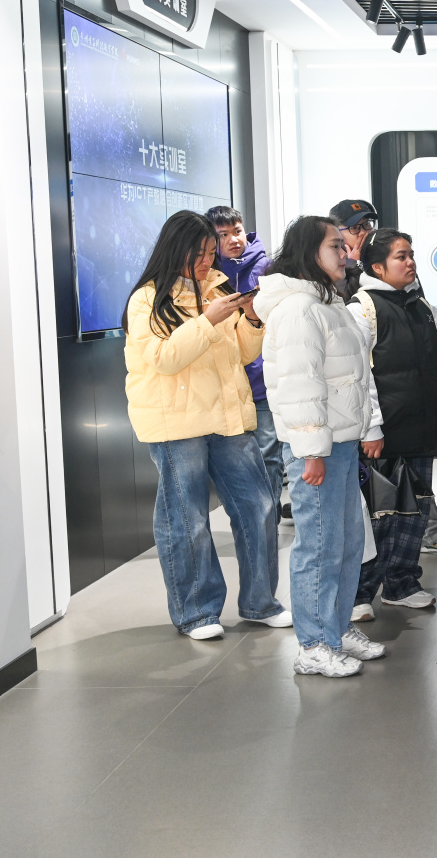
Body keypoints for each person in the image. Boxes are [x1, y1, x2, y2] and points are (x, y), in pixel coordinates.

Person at [122, 210, 290, 640]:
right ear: (174, 249)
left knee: (259, 506)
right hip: (176, 424)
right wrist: (208, 319)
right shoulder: (146, 299)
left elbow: (242, 353)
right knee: (187, 519)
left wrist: (252, 319)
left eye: (211, 252)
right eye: (198, 252)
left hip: (228, 418)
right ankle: (196, 612)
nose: (206, 260)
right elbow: (164, 359)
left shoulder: (218, 287)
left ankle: (260, 602)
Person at [256, 215, 385, 677]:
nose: (346, 253)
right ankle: (313, 645)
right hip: (318, 448)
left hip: (341, 442)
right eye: (336, 246)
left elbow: (354, 375)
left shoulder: (327, 302)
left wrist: (367, 426)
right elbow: (299, 385)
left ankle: (335, 628)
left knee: (347, 543)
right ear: (310, 251)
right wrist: (311, 451)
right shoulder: (298, 309)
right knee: (319, 546)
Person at [348, 228, 437, 617]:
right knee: (380, 515)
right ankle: (360, 593)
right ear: (377, 267)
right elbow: (359, 375)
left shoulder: (424, 307)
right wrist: (371, 427)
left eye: (411, 255)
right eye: (401, 256)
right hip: (384, 434)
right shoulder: (361, 309)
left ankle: (402, 584)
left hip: (423, 428)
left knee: (416, 510)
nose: (410, 262)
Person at [205, 206, 286, 518]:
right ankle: (250, 519)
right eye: (223, 235)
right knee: (235, 461)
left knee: (269, 455)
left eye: (237, 231)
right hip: (226, 384)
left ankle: (269, 518)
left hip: (262, 381)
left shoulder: (267, 268)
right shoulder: (207, 274)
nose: (233, 239)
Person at [329, 199, 378, 300]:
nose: (363, 232)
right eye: (354, 228)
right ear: (337, 232)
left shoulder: (383, 253)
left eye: (367, 224)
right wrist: (354, 264)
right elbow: (343, 299)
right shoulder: (331, 261)